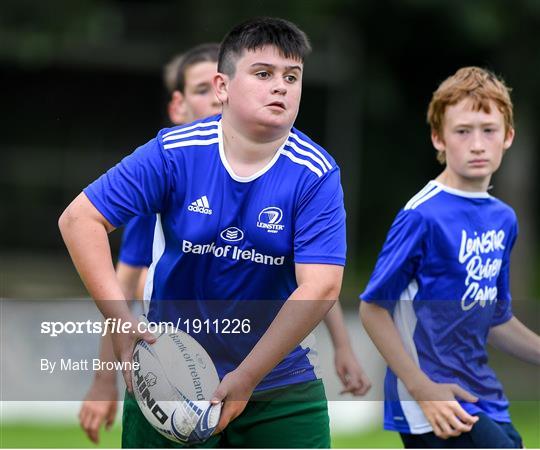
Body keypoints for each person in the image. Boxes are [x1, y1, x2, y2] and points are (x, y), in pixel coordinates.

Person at [60, 17, 361, 448]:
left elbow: (322, 285)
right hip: (169, 379)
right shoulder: (174, 152)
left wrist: (248, 377)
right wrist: (120, 320)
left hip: (278, 386)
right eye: (263, 74)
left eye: (291, 77)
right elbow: (78, 220)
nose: (281, 86)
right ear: (222, 87)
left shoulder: (315, 173)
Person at [359, 67, 540, 448]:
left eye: (488, 130)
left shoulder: (503, 218)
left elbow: (494, 316)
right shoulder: (421, 215)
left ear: (508, 136)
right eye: (462, 131)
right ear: (438, 138)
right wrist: (421, 388)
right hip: (430, 401)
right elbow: (372, 309)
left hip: (483, 395)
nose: (477, 144)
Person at [77, 43, 222, 444]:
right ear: (177, 107)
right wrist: (105, 381)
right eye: (201, 89)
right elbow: (126, 283)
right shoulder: (160, 180)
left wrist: (342, 345)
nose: (216, 99)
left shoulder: (280, 173)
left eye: (220, 87)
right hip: (176, 360)